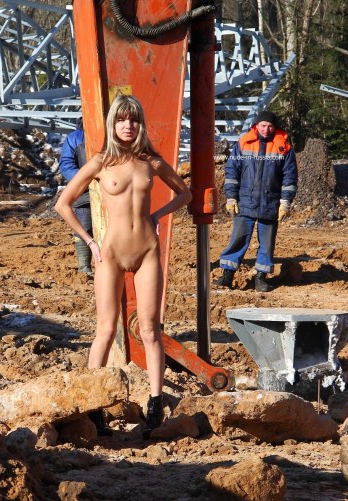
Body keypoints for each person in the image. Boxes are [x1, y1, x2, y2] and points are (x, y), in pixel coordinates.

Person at [54, 94, 191, 439]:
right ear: (112, 124)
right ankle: (93, 409)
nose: (128, 125)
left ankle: (155, 406)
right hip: (111, 254)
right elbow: (63, 204)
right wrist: (90, 241)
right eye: (121, 119)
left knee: (150, 330)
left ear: (140, 123)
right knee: (104, 330)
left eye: (133, 119)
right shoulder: (100, 162)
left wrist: (158, 215)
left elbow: (185, 193)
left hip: (147, 253)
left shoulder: (151, 162)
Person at [213, 110, 297, 292]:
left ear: (275, 127)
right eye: (263, 125)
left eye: (270, 126)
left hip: (270, 203)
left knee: (267, 244)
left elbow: (289, 178)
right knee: (238, 240)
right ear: (256, 126)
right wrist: (231, 197)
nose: (266, 129)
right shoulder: (244, 143)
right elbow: (232, 172)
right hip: (246, 201)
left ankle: (261, 278)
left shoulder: (284, 147)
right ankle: (227, 276)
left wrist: (285, 203)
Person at [59, 118, 94, 275]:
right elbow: (66, 165)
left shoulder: (112, 135)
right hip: (84, 193)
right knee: (84, 227)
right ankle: (85, 267)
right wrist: (84, 179)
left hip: (110, 191)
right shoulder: (75, 138)